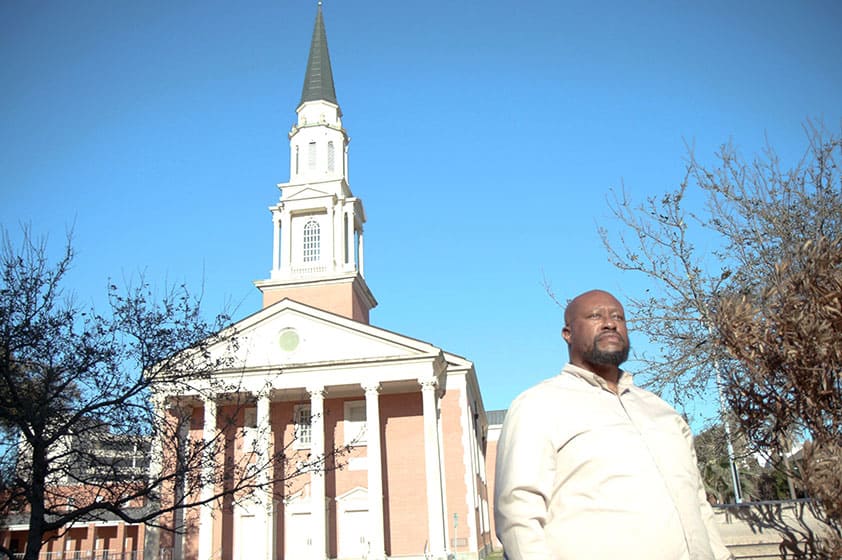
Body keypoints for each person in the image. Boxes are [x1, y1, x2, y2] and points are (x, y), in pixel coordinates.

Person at [494, 289, 733, 560]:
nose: (610, 322)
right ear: (567, 333)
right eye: (595, 316)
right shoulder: (538, 405)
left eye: (618, 316)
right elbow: (518, 513)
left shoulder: (662, 412)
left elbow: (698, 502)